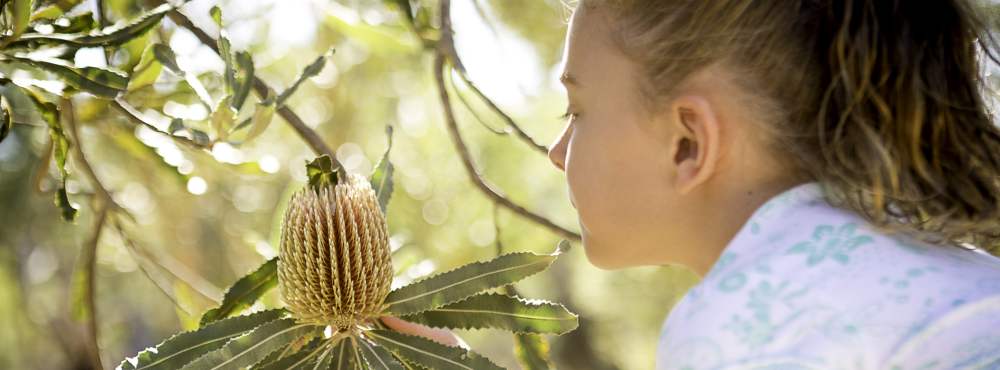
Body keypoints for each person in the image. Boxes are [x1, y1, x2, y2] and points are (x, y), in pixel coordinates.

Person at [387, 0, 1000, 368]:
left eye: (575, 112)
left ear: (688, 144)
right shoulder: (925, 265)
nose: (555, 152)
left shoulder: (748, 320)